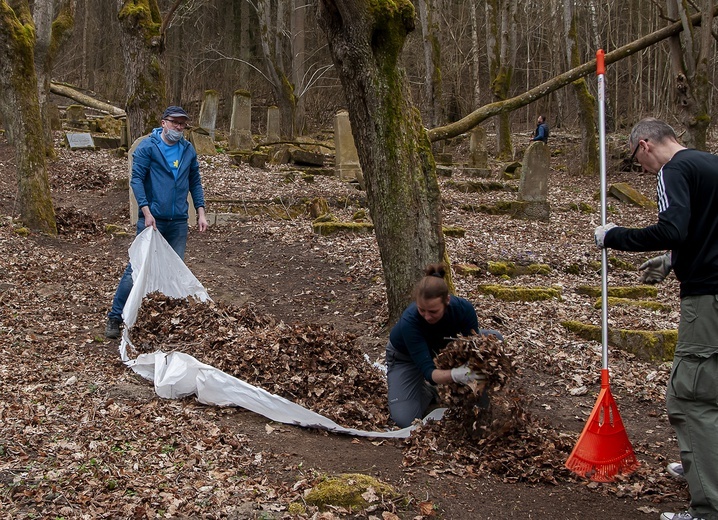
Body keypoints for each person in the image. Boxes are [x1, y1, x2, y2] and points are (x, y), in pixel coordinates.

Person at [594, 118, 718, 520]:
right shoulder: (710, 164)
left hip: (707, 298)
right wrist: (671, 261)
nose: (642, 171)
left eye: (636, 160)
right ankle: (703, 464)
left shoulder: (673, 170)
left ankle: (708, 506)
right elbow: (704, 230)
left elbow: (673, 229)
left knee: (689, 397)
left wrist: (614, 235)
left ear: (644, 145)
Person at [105, 106, 209, 339]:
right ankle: (115, 316)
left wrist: (201, 212)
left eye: (182, 124)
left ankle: (164, 318)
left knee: (174, 271)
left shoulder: (188, 150)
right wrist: (146, 210)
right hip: (152, 220)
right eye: (175, 123)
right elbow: (137, 180)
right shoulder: (148, 148)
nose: (179, 128)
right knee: (136, 269)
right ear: (163, 123)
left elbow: (195, 182)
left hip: (178, 221)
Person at [385, 263, 504, 428]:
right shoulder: (409, 321)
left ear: (447, 300)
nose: (427, 316)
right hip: (405, 357)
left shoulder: (463, 310)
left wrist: (474, 374)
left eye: (433, 311)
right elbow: (429, 372)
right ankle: (428, 391)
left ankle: (476, 401)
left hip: (443, 347)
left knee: (493, 339)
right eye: (422, 310)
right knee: (405, 420)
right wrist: (456, 375)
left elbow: (473, 349)